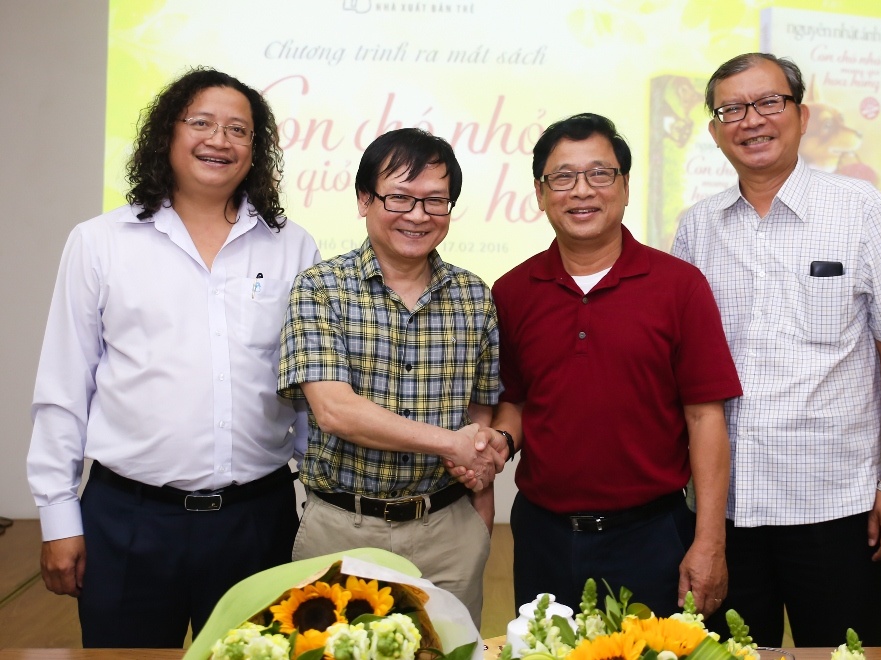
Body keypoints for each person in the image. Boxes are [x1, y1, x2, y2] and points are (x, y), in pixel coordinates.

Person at [26, 67, 320, 648]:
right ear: (168, 134)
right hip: (128, 521)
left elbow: (309, 390)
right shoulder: (100, 242)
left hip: (257, 521)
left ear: (255, 150)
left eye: (238, 129)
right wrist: (57, 516)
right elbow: (64, 386)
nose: (219, 140)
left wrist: (318, 508)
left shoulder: (293, 246)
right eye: (201, 123)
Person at [672, 53, 881, 647]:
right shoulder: (697, 227)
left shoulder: (862, 209)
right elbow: (687, 372)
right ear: (716, 131)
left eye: (768, 103)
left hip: (838, 505)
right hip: (728, 509)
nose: (752, 120)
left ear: (801, 116)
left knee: (845, 654)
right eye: (731, 110)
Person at [477, 113, 742, 618]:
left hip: (652, 537)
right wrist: (499, 443)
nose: (582, 191)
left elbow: (705, 417)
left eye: (599, 173)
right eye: (563, 177)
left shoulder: (679, 286)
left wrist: (710, 541)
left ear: (624, 186)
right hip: (543, 536)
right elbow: (517, 401)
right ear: (540, 194)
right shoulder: (511, 291)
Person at [277, 127, 502, 627]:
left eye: (435, 201)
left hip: (448, 531)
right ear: (364, 199)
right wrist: (451, 444)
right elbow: (335, 411)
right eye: (399, 197)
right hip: (341, 530)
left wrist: (479, 509)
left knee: (447, 653)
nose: (418, 215)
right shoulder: (320, 288)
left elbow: (480, 409)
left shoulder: (474, 295)